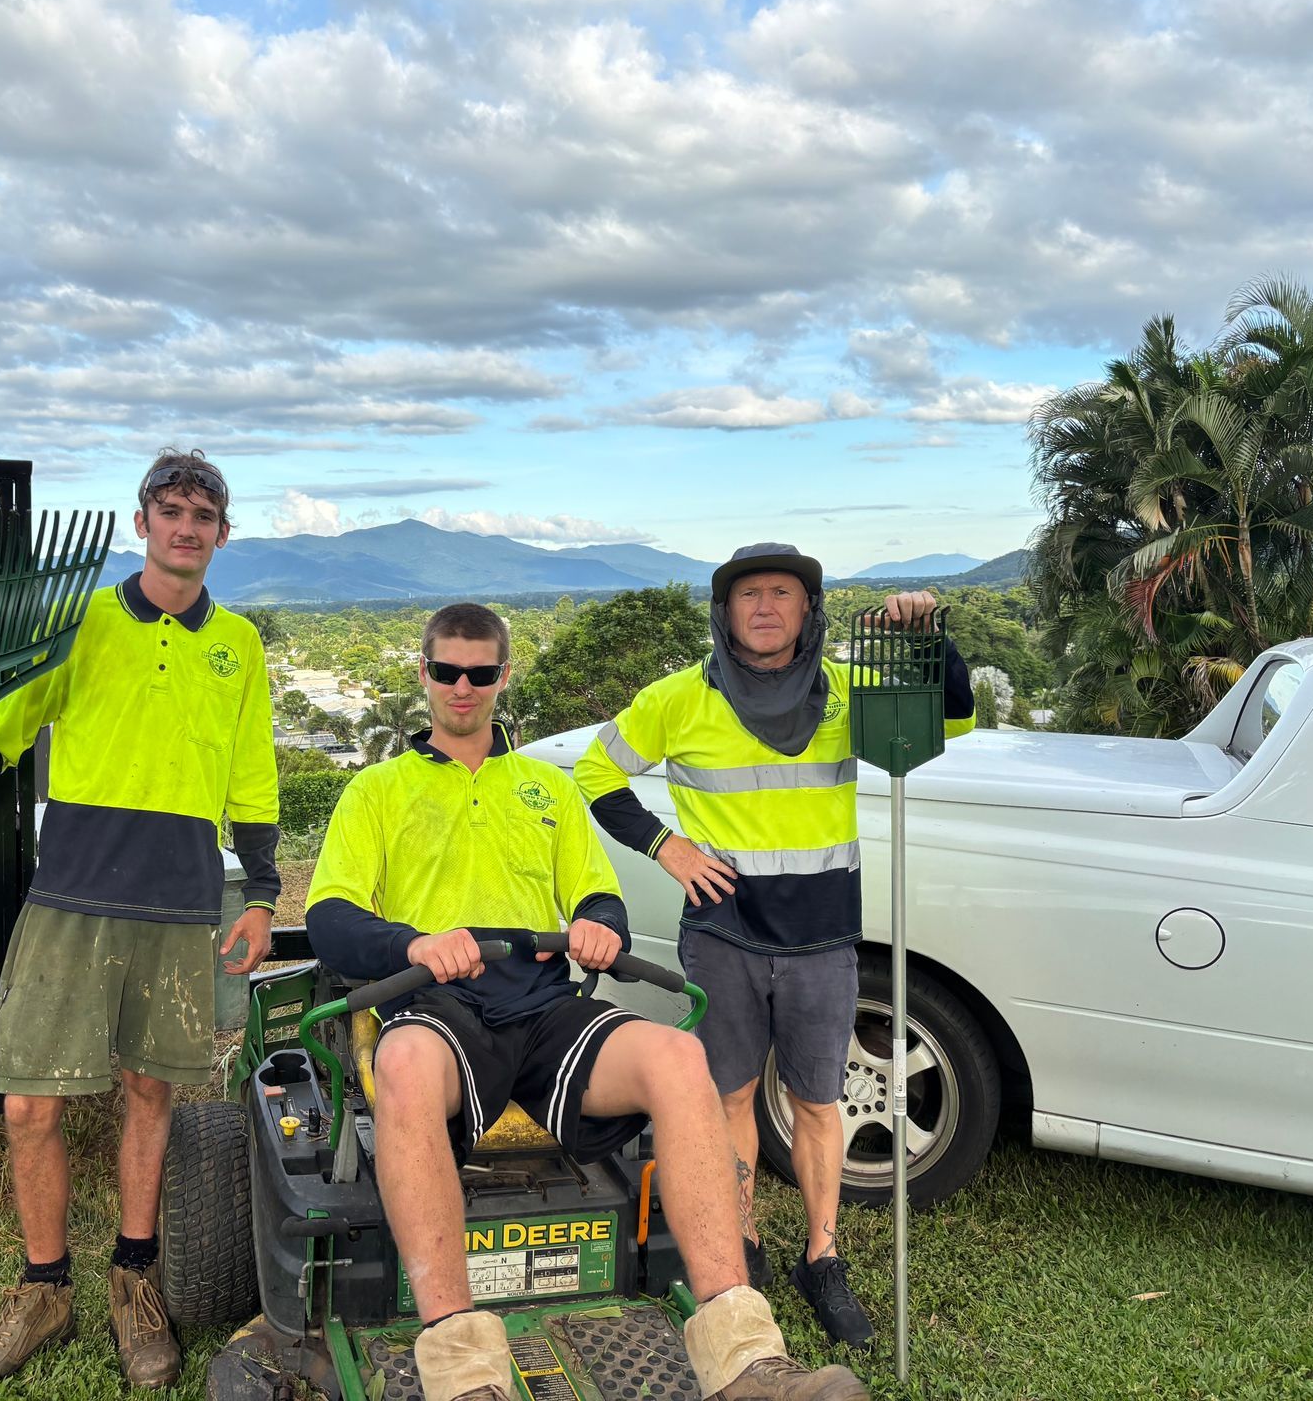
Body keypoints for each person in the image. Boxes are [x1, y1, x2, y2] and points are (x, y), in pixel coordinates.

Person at [308, 602, 868, 1401]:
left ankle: (745, 1357)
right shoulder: (375, 790)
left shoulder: (547, 788)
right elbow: (332, 919)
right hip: (440, 1008)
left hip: (544, 1006)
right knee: (398, 1061)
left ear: (504, 677)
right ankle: (466, 1375)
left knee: (679, 1053)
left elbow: (599, 901)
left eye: (479, 673)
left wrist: (598, 929)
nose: (461, 688)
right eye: (445, 672)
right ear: (423, 675)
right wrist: (415, 945)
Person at [0, 450, 279, 1395]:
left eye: (204, 514)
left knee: (150, 1096)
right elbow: (10, 721)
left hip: (179, 904)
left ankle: (132, 1284)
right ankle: (43, 1289)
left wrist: (261, 893)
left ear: (223, 533)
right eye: (170, 510)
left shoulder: (242, 647)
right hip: (73, 897)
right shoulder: (81, 620)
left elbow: (253, 775)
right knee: (30, 1105)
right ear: (140, 523)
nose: (187, 527)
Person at [574, 545, 973, 1349]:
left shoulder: (846, 692)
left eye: (782, 594)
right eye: (748, 594)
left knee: (818, 1103)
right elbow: (594, 771)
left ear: (808, 610)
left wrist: (929, 636)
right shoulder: (679, 697)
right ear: (724, 614)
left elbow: (952, 718)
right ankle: (742, 1244)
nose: (764, 606)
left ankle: (821, 1258)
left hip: (822, 937)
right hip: (724, 933)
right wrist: (666, 848)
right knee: (726, 1100)